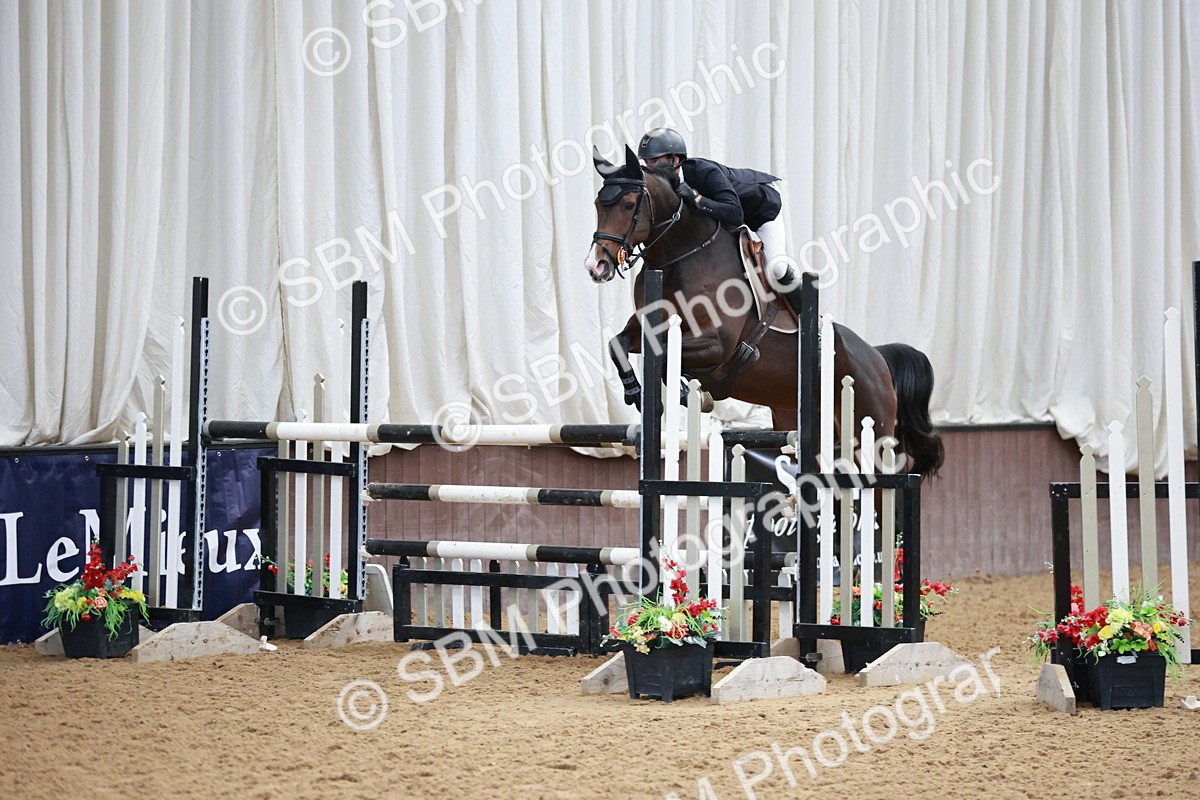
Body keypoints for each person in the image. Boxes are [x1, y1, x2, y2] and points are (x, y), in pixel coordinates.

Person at [637, 127, 803, 311]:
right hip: (722, 216)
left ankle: (810, 319)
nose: (648, 168)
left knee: (776, 267)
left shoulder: (704, 172)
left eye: (653, 161)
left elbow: (735, 214)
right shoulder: (667, 187)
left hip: (762, 208)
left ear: (675, 160)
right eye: (645, 162)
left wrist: (697, 200)